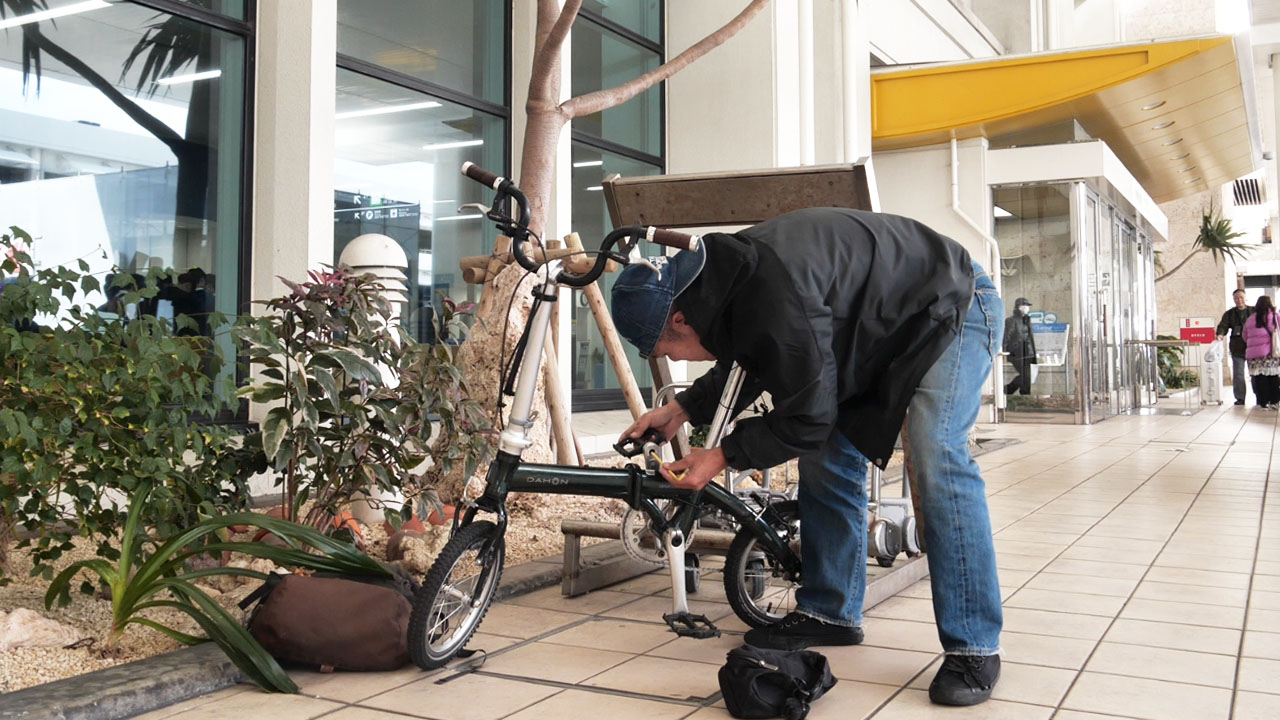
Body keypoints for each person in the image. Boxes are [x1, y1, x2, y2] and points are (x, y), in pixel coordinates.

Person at [611, 207, 1004, 707]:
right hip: (878, 329)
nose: (679, 359)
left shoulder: (768, 289)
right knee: (822, 448)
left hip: (954, 306)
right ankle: (831, 610)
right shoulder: (721, 281)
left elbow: (801, 396)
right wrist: (683, 408)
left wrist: (724, 455)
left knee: (936, 452)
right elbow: (760, 352)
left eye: (670, 348)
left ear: (681, 318)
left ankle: (975, 645)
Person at [1216, 289, 1255, 405]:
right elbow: (1223, 326)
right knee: (1238, 374)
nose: (1239, 300)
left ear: (1246, 298)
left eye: (1241, 297)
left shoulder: (1253, 311)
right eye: (1236, 298)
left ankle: (1259, 396)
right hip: (1237, 347)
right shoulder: (1230, 314)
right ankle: (1240, 398)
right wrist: (1220, 335)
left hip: (1252, 347)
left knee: (1255, 373)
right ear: (1233, 300)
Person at [1243, 295, 1279, 410]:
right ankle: (1274, 401)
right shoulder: (1275, 317)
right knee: (1273, 377)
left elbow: (1245, 336)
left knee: (1259, 378)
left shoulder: (1250, 319)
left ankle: (1263, 402)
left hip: (1254, 355)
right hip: (1271, 353)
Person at [1003, 297, 1036, 395]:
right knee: (1026, 376)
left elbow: (1031, 337)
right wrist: (1004, 351)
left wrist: (1034, 352)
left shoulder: (1027, 320)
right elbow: (1006, 337)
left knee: (1028, 377)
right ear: (1019, 307)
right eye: (1025, 306)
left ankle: (1024, 395)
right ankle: (1006, 390)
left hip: (1028, 352)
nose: (1027, 308)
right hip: (1017, 353)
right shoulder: (1011, 320)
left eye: (1027, 306)